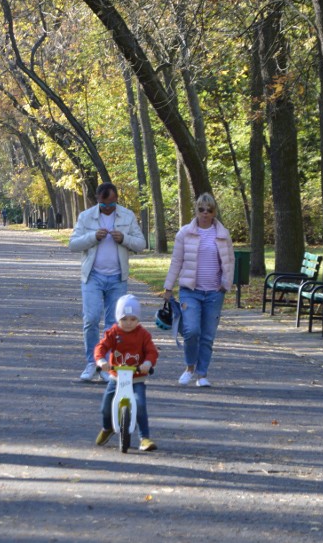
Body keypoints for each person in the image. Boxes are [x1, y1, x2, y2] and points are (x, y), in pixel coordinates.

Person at [69, 182, 146, 382]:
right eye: (104, 205)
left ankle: (107, 365)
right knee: (91, 319)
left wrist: (124, 239)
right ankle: (91, 362)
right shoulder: (86, 217)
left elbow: (141, 244)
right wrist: (93, 236)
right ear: (98, 200)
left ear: (117, 199)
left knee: (113, 324)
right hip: (93, 276)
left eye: (112, 204)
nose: (108, 208)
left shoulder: (127, 216)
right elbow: (73, 244)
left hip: (117, 277)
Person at [163, 193, 234, 387]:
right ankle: (189, 367)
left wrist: (225, 283)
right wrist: (168, 287)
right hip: (190, 290)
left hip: (214, 293)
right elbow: (176, 260)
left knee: (208, 335)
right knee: (191, 330)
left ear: (214, 212)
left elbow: (229, 260)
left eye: (209, 210)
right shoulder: (185, 233)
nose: (205, 213)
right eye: (201, 209)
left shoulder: (222, 234)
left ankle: (202, 374)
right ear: (196, 210)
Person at [94, 294, 158, 451]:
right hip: (116, 378)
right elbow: (100, 347)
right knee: (106, 406)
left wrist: (147, 363)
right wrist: (101, 361)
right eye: (124, 319)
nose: (128, 323)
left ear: (138, 319)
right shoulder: (113, 333)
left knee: (140, 404)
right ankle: (107, 427)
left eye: (132, 319)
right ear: (117, 319)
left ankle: (144, 438)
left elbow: (152, 351)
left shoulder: (143, 335)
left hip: (136, 379)